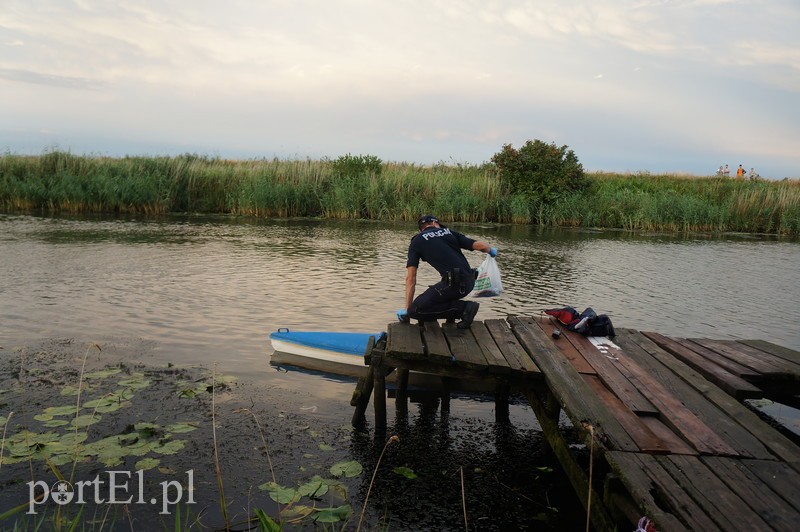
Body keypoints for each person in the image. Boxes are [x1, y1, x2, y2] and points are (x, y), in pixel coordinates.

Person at [398, 215, 497, 329]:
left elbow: (411, 277)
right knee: (438, 291)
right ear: (435, 223)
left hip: (454, 285)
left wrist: (407, 310)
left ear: (421, 229)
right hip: (469, 282)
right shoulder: (448, 232)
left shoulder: (417, 241)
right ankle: (458, 313)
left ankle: (464, 309)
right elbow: (481, 246)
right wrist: (491, 251)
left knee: (415, 310)